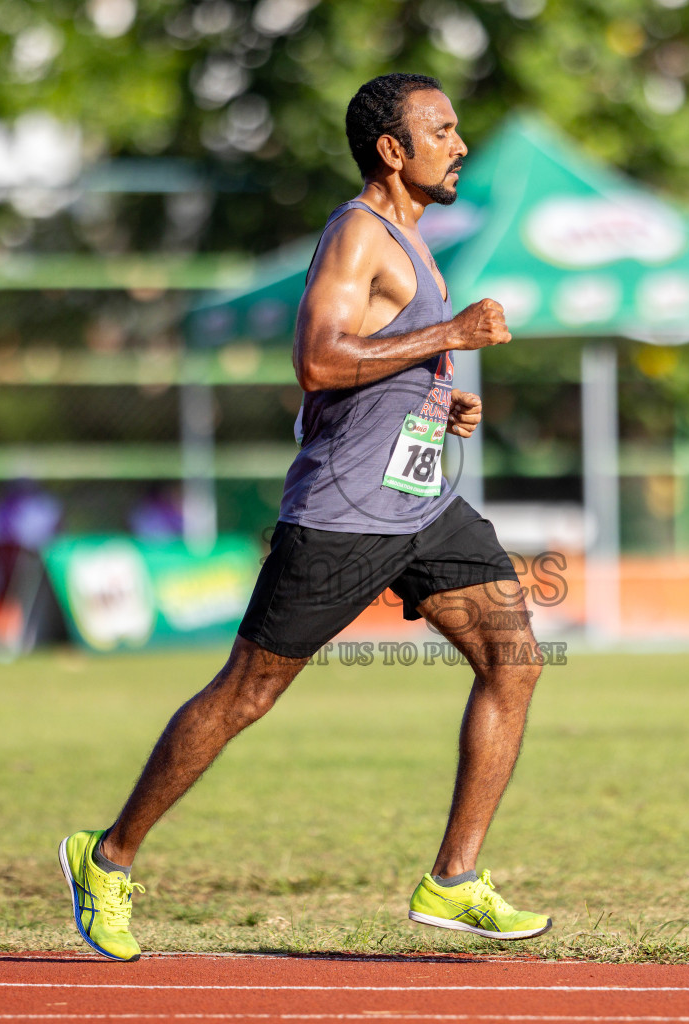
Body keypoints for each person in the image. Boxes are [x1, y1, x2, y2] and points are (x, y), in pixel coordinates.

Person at [59, 73, 550, 961]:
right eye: (442, 130)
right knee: (246, 693)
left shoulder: (415, 240)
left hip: (423, 505)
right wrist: (450, 337)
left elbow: (377, 363)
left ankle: (453, 879)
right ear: (392, 150)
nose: (460, 144)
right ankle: (108, 857)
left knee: (512, 659)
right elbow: (319, 362)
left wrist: (436, 399)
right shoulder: (357, 233)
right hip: (343, 513)